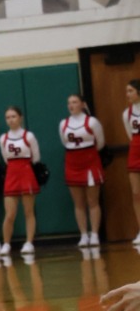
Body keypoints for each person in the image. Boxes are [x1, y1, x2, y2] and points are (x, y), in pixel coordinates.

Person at [59, 94, 105, 248]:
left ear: (83, 104)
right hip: (72, 164)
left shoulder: (92, 122)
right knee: (78, 203)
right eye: (69, 103)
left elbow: (100, 143)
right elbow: (64, 142)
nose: (71, 105)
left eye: (74, 102)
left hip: (90, 162)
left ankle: (95, 234)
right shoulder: (63, 124)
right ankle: (84, 234)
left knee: (93, 201)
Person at [0, 106, 40, 256]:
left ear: (20, 118)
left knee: (29, 211)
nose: (11, 120)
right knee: (9, 214)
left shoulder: (29, 136)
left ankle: (29, 243)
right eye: (8, 117)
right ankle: (6, 244)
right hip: (11, 174)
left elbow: (36, 157)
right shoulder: (3, 138)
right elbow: (5, 158)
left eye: (13, 116)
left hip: (26, 172)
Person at [123, 80, 140, 245]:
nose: (127, 94)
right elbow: (130, 135)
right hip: (135, 152)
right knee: (136, 193)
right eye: (127, 91)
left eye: (130, 91)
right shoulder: (126, 113)